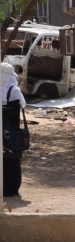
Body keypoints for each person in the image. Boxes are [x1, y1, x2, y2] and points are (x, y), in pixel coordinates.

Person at [1, 62, 26, 198]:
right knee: (11, 159)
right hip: (11, 134)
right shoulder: (14, 91)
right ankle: (11, 189)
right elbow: (23, 105)